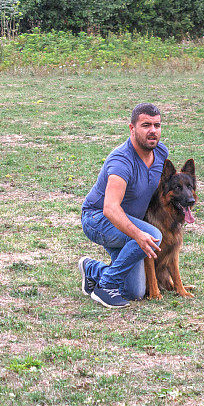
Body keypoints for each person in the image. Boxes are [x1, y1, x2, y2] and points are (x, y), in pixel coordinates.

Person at [78, 103, 167, 308]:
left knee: (134, 291)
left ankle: (91, 269)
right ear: (132, 128)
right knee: (153, 236)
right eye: (146, 125)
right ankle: (106, 285)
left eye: (157, 125)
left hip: (126, 222)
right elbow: (110, 208)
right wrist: (138, 234)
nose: (152, 131)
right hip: (98, 219)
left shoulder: (160, 153)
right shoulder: (121, 161)